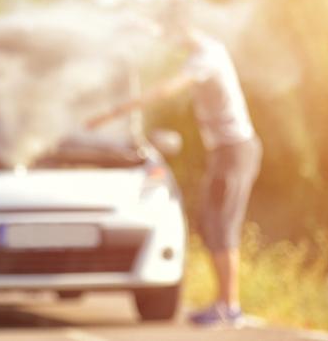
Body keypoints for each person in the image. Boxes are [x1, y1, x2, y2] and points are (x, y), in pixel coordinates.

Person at [87, 26, 261, 327]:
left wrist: (115, 111)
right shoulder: (205, 51)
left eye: (176, 31)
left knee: (222, 224)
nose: (174, 39)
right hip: (225, 151)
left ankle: (229, 307)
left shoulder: (206, 54)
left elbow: (168, 90)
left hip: (234, 150)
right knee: (212, 223)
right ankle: (226, 304)